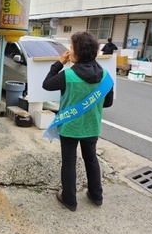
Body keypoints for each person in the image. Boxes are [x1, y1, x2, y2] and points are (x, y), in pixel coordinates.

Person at [42, 31, 114, 212]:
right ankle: (96, 196)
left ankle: (70, 199)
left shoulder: (67, 76)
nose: (69, 50)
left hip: (70, 127)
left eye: (72, 48)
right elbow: (108, 103)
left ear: (78, 53)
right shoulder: (105, 75)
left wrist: (59, 62)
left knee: (69, 161)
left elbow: (47, 83)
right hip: (92, 126)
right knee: (91, 158)